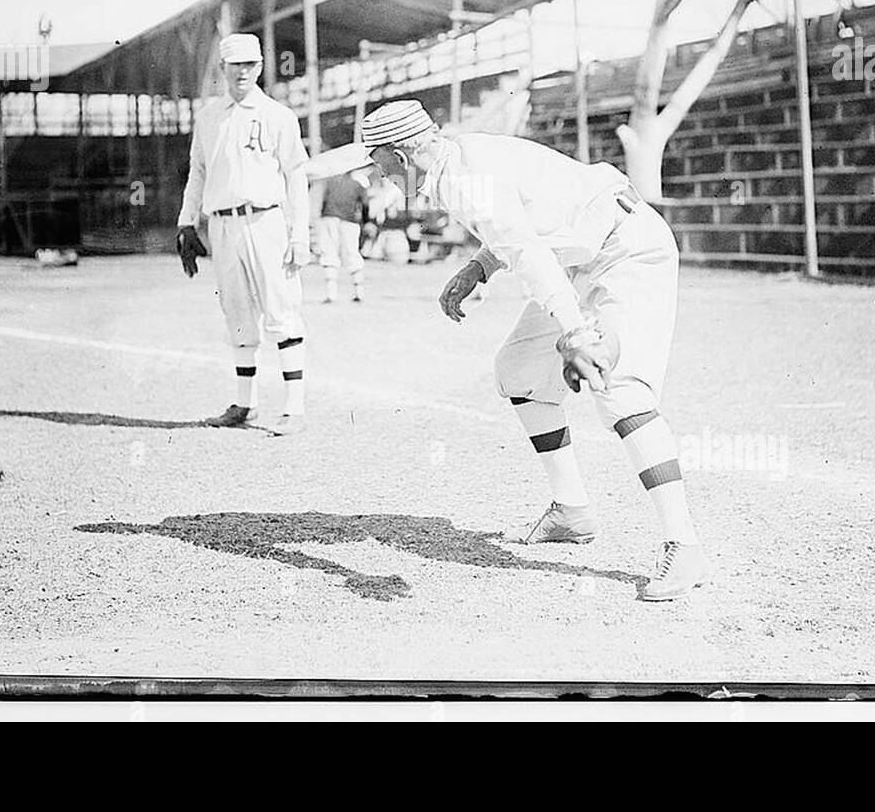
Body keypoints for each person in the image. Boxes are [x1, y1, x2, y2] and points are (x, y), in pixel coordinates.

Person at [355, 99, 708, 601]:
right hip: (583, 256)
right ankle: (572, 511)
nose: (378, 175)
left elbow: (528, 251)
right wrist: (479, 266)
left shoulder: (461, 175)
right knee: (519, 369)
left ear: (400, 155)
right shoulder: (457, 160)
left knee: (618, 389)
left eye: (379, 162)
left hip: (629, 249)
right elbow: (520, 227)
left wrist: (576, 334)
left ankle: (684, 544)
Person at [175, 33, 312, 436]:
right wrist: (187, 222)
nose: (243, 72)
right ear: (222, 69)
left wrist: (299, 235)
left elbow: (296, 175)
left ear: (260, 67)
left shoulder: (278, 116)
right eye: (235, 65)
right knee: (236, 313)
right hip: (222, 223)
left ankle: (294, 407)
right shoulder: (208, 117)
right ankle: (245, 403)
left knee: (281, 309)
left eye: (250, 65)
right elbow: (197, 172)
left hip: (266, 220)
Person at [313, 169, 370, 303]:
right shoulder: (357, 184)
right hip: (349, 221)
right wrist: (367, 221)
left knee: (329, 253)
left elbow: (324, 202)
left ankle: (331, 293)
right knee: (352, 253)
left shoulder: (330, 182)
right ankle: (359, 292)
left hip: (329, 218)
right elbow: (365, 205)